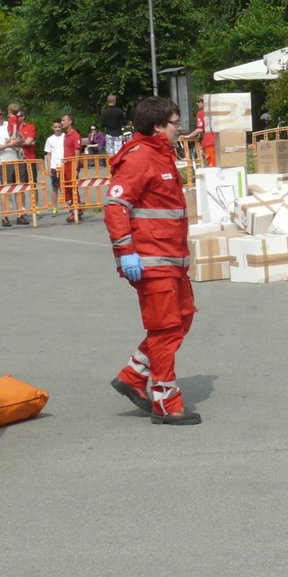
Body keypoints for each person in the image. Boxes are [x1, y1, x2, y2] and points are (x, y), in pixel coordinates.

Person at [104, 96, 200, 425]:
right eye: (176, 124)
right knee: (165, 328)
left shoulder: (160, 156)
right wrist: (126, 252)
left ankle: (134, 374)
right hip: (150, 260)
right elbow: (116, 206)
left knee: (183, 317)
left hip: (171, 260)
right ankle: (166, 401)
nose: (179, 130)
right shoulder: (141, 157)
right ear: (159, 126)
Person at [60, 113, 83, 223]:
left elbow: (77, 152)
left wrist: (76, 168)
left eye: (64, 120)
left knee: (72, 188)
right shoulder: (66, 135)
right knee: (65, 188)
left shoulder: (75, 135)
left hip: (72, 164)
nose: (62, 122)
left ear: (70, 122)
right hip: (66, 164)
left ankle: (76, 210)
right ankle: (74, 207)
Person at [43, 118, 67, 211]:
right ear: (52, 127)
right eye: (55, 127)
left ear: (61, 127)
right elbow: (48, 154)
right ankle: (54, 207)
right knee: (55, 186)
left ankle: (66, 204)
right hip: (54, 166)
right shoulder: (50, 139)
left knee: (65, 186)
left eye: (59, 127)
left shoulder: (65, 136)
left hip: (64, 164)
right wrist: (48, 168)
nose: (57, 129)